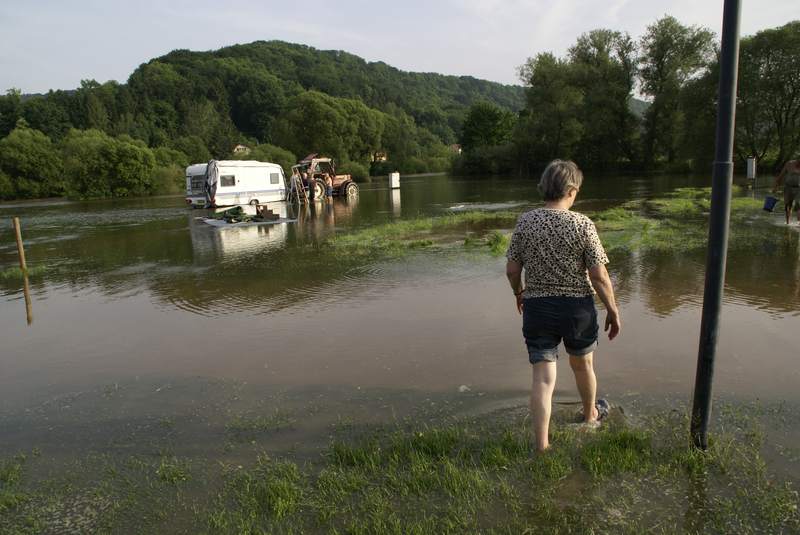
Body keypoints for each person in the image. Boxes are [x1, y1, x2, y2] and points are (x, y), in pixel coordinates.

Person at [505, 160, 621, 453]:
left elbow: (511, 269)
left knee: (543, 378)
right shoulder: (582, 224)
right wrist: (613, 309)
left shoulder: (526, 221)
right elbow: (599, 275)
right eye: (577, 191)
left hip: (538, 307)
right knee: (583, 366)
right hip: (576, 310)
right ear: (570, 190)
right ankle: (590, 416)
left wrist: (519, 292)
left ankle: (542, 445)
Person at [773, 159, 800, 225]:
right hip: (788, 188)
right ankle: (788, 223)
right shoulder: (789, 164)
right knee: (788, 206)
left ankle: (799, 223)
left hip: (798, 188)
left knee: (799, 205)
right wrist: (775, 187)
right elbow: (780, 176)